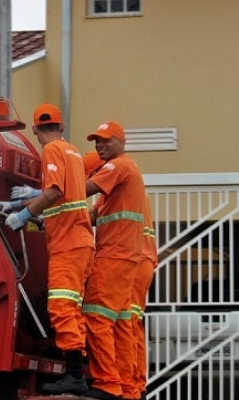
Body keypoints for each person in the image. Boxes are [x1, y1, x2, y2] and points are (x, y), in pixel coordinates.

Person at [2, 103, 95, 396]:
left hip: (68, 244)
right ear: (62, 127)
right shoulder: (74, 153)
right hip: (79, 241)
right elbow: (66, 198)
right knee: (70, 307)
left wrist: (23, 216)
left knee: (62, 307)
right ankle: (76, 374)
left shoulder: (52, 151)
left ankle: (75, 376)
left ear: (35, 129)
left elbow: (54, 192)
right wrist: (21, 204)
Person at [82, 122, 146, 400]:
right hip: (125, 258)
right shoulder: (117, 184)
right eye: (97, 141)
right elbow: (90, 216)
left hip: (114, 256)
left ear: (121, 142)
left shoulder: (118, 166)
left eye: (106, 141)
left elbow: (81, 189)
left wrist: (44, 194)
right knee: (119, 322)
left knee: (96, 316)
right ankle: (126, 388)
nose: (99, 145)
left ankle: (108, 383)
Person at [130, 196, 158, 400]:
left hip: (134, 260)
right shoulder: (134, 189)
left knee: (126, 324)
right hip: (141, 260)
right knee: (133, 324)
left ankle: (132, 385)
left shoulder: (117, 176)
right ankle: (137, 385)